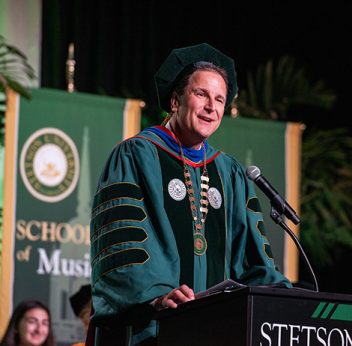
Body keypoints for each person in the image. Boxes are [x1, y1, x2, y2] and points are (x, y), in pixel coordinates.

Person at [89, 42, 292, 345]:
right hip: (149, 329)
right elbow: (122, 245)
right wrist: (156, 296)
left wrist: (287, 298)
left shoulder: (230, 173)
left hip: (214, 331)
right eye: (202, 94)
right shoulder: (136, 156)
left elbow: (252, 259)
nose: (212, 107)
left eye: (220, 99)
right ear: (175, 100)